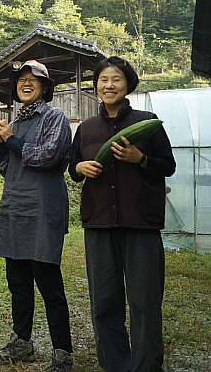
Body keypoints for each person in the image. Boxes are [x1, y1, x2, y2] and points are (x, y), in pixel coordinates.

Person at [68, 56, 175, 372]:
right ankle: (114, 364)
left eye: (116, 79)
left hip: (141, 222)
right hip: (99, 222)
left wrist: (139, 158)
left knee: (144, 303)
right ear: (97, 86)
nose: (109, 85)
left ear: (127, 84)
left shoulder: (148, 122)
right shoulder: (86, 128)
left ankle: (145, 366)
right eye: (103, 79)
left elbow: (167, 165)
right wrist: (78, 166)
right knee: (104, 302)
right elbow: (73, 168)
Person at [0, 60, 74, 371]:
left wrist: (9, 139)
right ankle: (22, 343)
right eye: (21, 79)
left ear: (44, 87)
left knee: (49, 284)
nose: (25, 83)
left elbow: (47, 157)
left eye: (33, 79)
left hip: (43, 208)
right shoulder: (16, 123)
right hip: (15, 208)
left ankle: (63, 351)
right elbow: (7, 167)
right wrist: (0, 142)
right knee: (18, 282)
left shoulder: (55, 117)